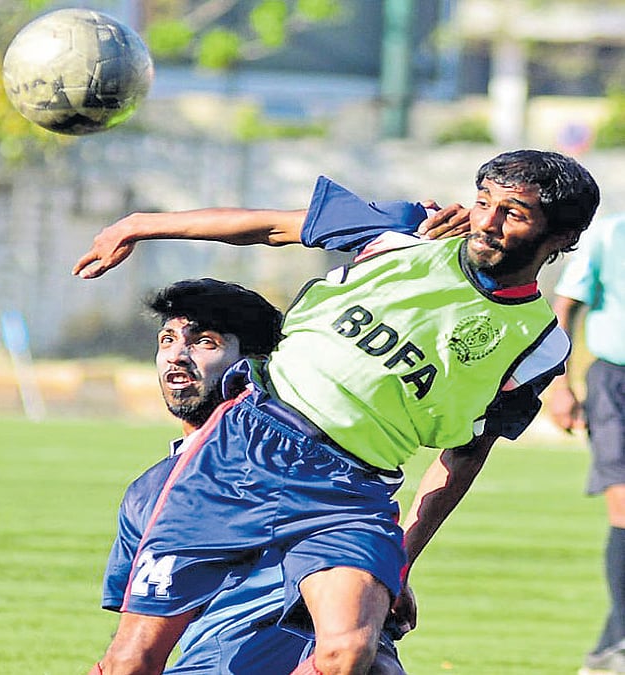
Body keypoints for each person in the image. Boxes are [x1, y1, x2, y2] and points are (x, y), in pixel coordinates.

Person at [76, 149, 600, 675]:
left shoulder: (539, 347)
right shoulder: (406, 232)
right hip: (241, 450)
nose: (486, 221)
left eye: (514, 212)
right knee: (133, 661)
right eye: (484, 201)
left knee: (348, 654)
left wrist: (402, 559)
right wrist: (141, 225)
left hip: (350, 492)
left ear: (561, 239)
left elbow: (463, 457)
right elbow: (269, 227)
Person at [103, 276, 435, 673]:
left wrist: (386, 574)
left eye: (205, 342)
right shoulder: (151, 494)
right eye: (167, 340)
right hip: (219, 666)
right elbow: (133, 649)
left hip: (329, 658)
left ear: (257, 362)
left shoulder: (326, 472)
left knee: (375, 662)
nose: (177, 356)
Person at [548, 214, 625, 675]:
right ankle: (616, 644)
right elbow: (567, 304)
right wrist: (559, 384)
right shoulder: (610, 234)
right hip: (615, 382)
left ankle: (608, 649)